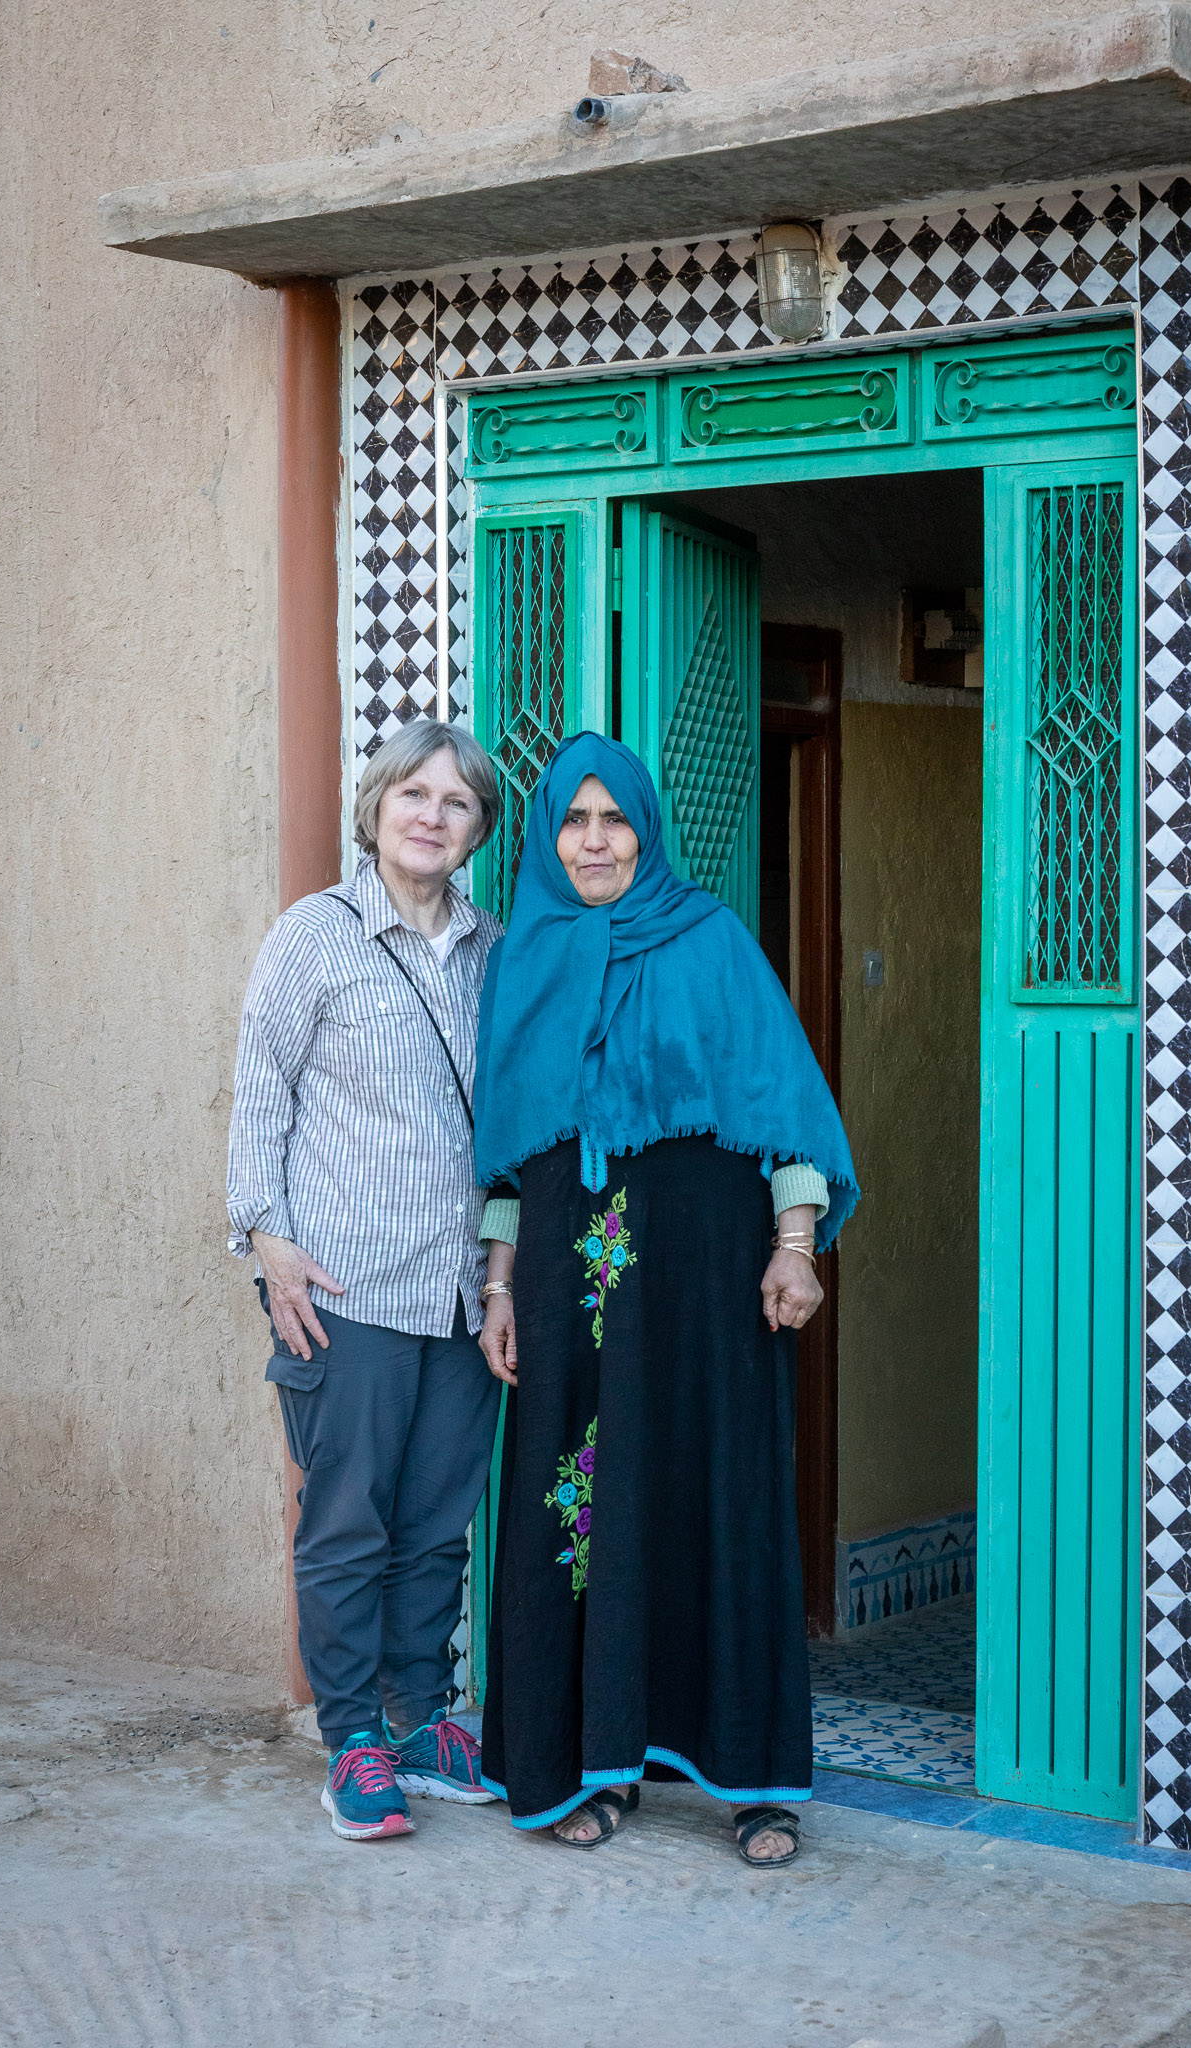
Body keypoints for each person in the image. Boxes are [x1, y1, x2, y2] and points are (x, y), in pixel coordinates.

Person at [474, 732, 857, 1866]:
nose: (594, 840)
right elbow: (504, 1157)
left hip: (703, 1282)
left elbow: (782, 1106)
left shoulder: (712, 939)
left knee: (717, 1493)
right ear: (549, 836)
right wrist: (496, 1283)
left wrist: (796, 1246)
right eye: (574, 821)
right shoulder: (526, 955)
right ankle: (581, 1764)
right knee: (572, 1504)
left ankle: (751, 1779)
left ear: (645, 828)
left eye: (614, 819)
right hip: (564, 1283)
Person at [227, 719, 505, 1841]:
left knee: (438, 1521)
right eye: (414, 794)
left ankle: (425, 1715)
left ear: (480, 827)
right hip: (342, 1283)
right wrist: (266, 1236)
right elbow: (260, 1089)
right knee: (349, 1520)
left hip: (457, 1291)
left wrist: (503, 1271)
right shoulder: (316, 935)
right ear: (376, 805)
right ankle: (352, 1740)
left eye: (457, 801)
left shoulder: (496, 949)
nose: (432, 815)